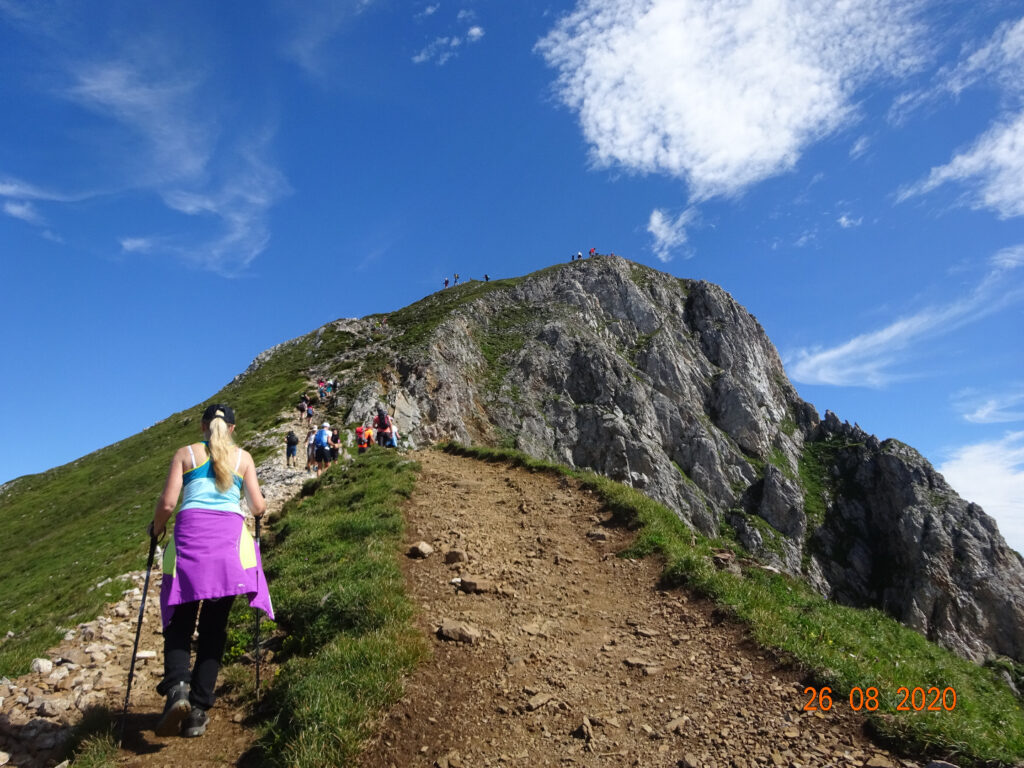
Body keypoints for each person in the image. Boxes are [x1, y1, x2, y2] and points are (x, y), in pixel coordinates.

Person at [149, 404, 273, 738]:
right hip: (228, 546)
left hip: (190, 540)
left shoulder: (185, 454)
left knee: (180, 621)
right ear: (232, 429)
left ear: (203, 426)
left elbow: (167, 504)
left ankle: (178, 688)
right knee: (214, 628)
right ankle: (198, 710)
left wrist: (156, 528)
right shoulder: (243, 459)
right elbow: (258, 506)